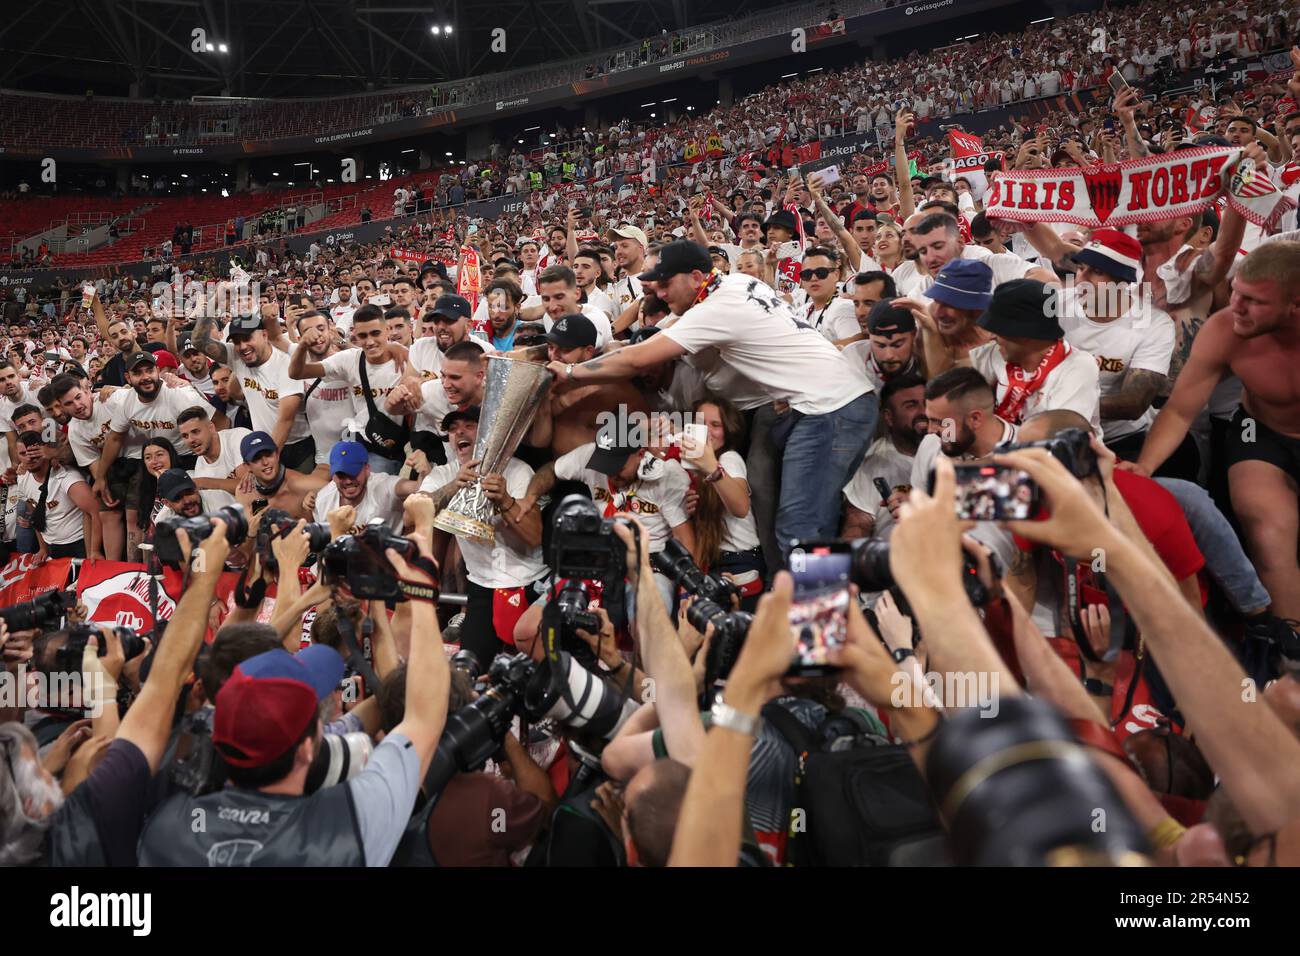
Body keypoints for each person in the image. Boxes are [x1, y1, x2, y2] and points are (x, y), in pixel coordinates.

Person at [548, 240, 877, 551]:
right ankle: (814, 593)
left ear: (695, 277)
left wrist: (572, 371)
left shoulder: (716, 308)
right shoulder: (734, 286)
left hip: (831, 408)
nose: (659, 293)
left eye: (665, 283)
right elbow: (638, 343)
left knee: (799, 526)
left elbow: (636, 358)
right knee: (811, 519)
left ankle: (811, 601)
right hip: (827, 401)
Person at [1131, 243, 1300, 625]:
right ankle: (1290, 650)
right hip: (1261, 431)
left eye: (1254, 300)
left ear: (1295, 304)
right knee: (1266, 527)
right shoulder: (1225, 329)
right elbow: (1178, 411)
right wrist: (1144, 468)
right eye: (1236, 291)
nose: (1236, 305)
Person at [419, 407, 547, 663]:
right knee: (471, 671)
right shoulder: (445, 474)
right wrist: (454, 487)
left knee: (533, 671)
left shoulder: (518, 471)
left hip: (529, 583)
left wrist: (505, 500)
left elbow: (534, 536)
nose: (459, 433)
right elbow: (414, 513)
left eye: (469, 425)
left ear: (489, 432)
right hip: (482, 587)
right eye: (453, 429)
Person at [192, 311, 314, 472]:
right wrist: (215, 303)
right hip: (263, 444)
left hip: (296, 447)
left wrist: (266, 459)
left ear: (264, 335)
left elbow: (286, 420)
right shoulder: (238, 357)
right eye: (236, 341)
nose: (242, 346)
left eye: (247, 338)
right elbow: (199, 341)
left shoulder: (286, 364)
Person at [307, 441, 424, 533]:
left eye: (353, 473)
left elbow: (419, 489)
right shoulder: (323, 500)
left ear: (367, 469)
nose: (348, 481)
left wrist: (423, 471)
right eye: (342, 475)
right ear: (333, 476)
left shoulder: (383, 486)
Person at [15, 429, 95, 560]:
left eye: (33, 452)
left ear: (45, 450)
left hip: (79, 545)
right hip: (52, 547)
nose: (29, 457)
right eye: (23, 453)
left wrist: (92, 551)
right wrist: (43, 548)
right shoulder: (22, 479)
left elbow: (95, 512)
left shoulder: (67, 477)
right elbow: (35, 515)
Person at [235, 431, 328, 522]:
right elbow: (247, 536)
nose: (265, 462)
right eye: (257, 458)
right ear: (247, 466)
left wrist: (318, 496)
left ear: (277, 454)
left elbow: (336, 488)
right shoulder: (245, 493)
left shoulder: (299, 484)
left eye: (268, 454)